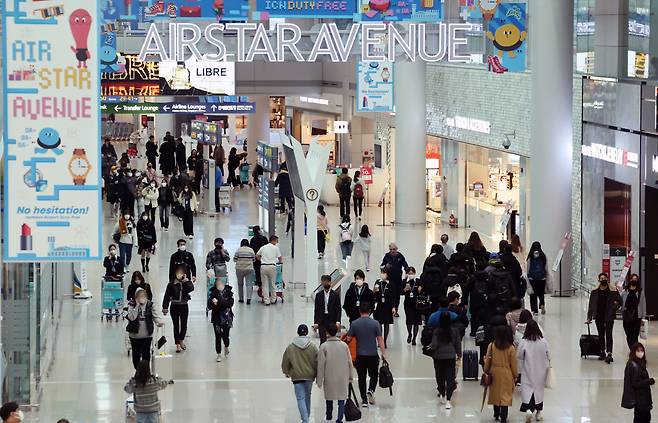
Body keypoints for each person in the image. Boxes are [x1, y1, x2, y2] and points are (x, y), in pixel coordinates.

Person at [346, 302, 387, 408]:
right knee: (374, 375)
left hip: (360, 355)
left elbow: (348, 339)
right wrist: (383, 353)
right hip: (373, 354)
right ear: (370, 311)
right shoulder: (375, 323)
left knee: (361, 377)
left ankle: (364, 400)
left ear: (359, 311)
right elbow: (380, 339)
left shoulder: (354, 324)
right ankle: (371, 390)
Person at [281, 324, 318, 423]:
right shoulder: (313, 347)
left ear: (298, 333)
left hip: (296, 376)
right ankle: (307, 416)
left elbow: (285, 362)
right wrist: (316, 373)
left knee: (300, 398)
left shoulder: (291, 347)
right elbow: (317, 361)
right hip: (309, 376)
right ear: (306, 333)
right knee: (308, 396)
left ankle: (305, 419)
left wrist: (287, 372)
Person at [317, 324, 353, 423]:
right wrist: (350, 377)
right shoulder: (344, 345)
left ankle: (329, 416)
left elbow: (320, 365)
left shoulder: (324, 346)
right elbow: (349, 362)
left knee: (329, 397)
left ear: (327, 332)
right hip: (342, 376)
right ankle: (340, 418)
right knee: (341, 398)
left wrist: (319, 380)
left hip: (329, 376)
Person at [517, 320, 550, 422]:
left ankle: (529, 410)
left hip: (528, 371)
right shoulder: (544, 341)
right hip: (541, 371)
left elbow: (519, 356)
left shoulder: (524, 342)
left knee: (528, 392)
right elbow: (549, 355)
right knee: (539, 392)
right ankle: (538, 413)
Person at [484, 325, 518, 423]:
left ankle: (496, 413)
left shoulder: (491, 345)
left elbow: (487, 361)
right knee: (505, 395)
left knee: (496, 393)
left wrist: (486, 371)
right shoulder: (511, 348)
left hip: (494, 372)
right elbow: (514, 364)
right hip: (507, 373)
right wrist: (515, 375)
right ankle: (504, 416)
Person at [587, 272, 622, 364]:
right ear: (599, 280)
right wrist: (589, 317)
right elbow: (591, 305)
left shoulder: (613, 290)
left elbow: (619, 301)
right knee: (601, 335)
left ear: (607, 279)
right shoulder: (595, 291)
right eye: (601, 278)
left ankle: (609, 353)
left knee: (609, 334)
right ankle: (602, 351)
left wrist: (614, 307)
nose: (603, 280)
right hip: (599, 316)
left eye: (604, 278)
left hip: (609, 315)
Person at [126, 287, 165, 370]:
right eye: (139, 296)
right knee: (136, 354)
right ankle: (138, 372)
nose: (141, 297)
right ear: (136, 297)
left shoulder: (150, 304)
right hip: (134, 335)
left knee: (146, 354)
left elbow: (155, 316)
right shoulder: (131, 304)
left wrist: (159, 322)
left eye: (143, 295)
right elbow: (131, 317)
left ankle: (146, 373)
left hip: (147, 335)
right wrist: (136, 306)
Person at [430, 311, 462, 409]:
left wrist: (430, 347)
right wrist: (459, 353)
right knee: (450, 377)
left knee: (440, 376)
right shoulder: (455, 331)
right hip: (450, 356)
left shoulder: (437, 331)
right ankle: (449, 400)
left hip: (438, 357)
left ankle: (442, 394)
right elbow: (458, 343)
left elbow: (434, 344)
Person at [162, 265, 195, 353]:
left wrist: (186, 281)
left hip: (184, 306)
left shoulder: (185, 282)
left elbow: (191, 288)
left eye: (181, 273)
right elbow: (167, 296)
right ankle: (177, 344)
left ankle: (181, 340)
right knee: (176, 325)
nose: (179, 274)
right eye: (178, 273)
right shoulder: (171, 284)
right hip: (174, 306)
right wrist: (165, 307)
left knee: (184, 325)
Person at [622, 342, 655, 423]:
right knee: (642, 419)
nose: (640, 352)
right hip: (640, 399)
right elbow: (636, 383)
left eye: (642, 350)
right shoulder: (634, 365)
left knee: (643, 418)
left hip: (642, 399)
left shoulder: (638, 363)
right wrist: (650, 381)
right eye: (638, 350)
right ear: (634, 351)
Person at [208, 278, 234, 362]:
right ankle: (218, 354)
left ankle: (226, 346)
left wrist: (218, 303)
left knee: (225, 335)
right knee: (218, 336)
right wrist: (215, 303)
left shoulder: (229, 293)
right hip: (217, 319)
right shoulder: (213, 294)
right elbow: (210, 306)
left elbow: (229, 304)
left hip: (227, 318)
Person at [380, 242, 410, 317]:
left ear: (396, 249)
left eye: (394, 249)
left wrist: (407, 271)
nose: (392, 251)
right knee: (390, 294)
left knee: (397, 295)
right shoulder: (386, 256)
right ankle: (391, 309)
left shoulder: (400, 256)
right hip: (389, 279)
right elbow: (381, 266)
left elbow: (405, 264)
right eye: (390, 249)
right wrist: (386, 267)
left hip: (398, 278)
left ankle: (395, 309)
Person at [314, 275, 342, 344]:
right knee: (322, 340)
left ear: (330, 282)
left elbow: (338, 309)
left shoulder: (335, 295)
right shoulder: (318, 295)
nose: (325, 283)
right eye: (323, 282)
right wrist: (316, 322)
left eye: (326, 282)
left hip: (332, 320)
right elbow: (316, 310)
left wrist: (338, 321)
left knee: (332, 340)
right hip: (322, 320)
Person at [256, 235, 283, 306]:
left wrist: (261, 260)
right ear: (273, 240)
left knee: (264, 285)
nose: (277, 243)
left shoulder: (263, 247)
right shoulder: (276, 248)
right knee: (272, 284)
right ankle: (273, 299)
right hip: (272, 267)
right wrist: (279, 262)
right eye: (276, 241)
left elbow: (257, 255)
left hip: (263, 266)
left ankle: (266, 301)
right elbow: (280, 258)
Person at [421, 244, 448, 313]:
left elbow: (424, 272)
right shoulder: (445, 260)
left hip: (429, 285)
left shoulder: (430, 260)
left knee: (429, 302)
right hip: (440, 285)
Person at [622, 274, 647, 350]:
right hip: (626, 315)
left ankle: (634, 351)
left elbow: (643, 304)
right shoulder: (625, 290)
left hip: (637, 316)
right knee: (628, 334)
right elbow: (620, 300)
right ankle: (632, 349)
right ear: (630, 280)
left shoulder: (640, 291)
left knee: (635, 335)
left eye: (635, 279)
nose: (634, 280)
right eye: (632, 279)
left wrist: (643, 316)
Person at [373, 268, 395, 348]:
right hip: (379, 306)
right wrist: (374, 291)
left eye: (384, 273)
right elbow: (373, 294)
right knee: (379, 324)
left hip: (387, 306)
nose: (382, 274)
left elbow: (393, 296)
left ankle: (385, 341)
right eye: (382, 272)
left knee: (386, 323)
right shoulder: (378, 282)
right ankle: (380, 340)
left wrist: (393, 307)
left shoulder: (391, 284)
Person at [526, 241, 550, 315]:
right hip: (542, 278)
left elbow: (528, 268)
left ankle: (535, 310)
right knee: (541, 293)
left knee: (533, 294)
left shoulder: (530, 257)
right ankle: (542, 304)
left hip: (532, 279)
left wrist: (528, 276)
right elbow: (546, 268)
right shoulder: (543, 256)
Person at [403, 267, 422, 344]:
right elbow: (400, 291)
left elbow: (422, 291)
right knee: (409, 320)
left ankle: (414, 338)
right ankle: (409, 334)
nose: (411, 275)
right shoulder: (404, 281)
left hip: (417, 303)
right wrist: (405, 290)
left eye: (412, 273)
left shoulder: (418, 281)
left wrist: (420, 290)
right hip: (408, 303)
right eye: (409, 273)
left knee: (416, 321)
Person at [233, 239, 256, 304]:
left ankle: (241, 299)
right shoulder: (251, 250)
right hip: (249, 269)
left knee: (240, 284)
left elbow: (234, 259)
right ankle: (248, 298)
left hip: (239, 269)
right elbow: (254, 259)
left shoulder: (238, 250)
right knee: (249, 284)